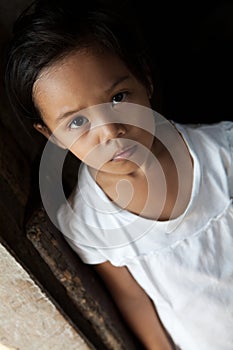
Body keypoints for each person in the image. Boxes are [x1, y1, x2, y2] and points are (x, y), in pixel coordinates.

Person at [4, 0, 233, 349]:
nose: (110, 132)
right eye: (77, 122)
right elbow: (135, 302)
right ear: (51, 136)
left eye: (118, 97)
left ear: (146, 78)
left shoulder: (223, 151)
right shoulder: (89, 223)